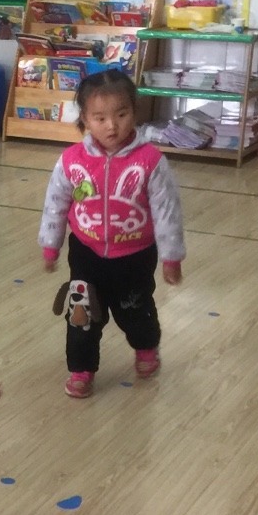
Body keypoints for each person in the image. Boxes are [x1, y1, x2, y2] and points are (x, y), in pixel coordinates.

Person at [39, 69, 185, 398]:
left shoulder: (150, 161)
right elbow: (55, 204)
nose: (112, 126)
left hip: (135, 256)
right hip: (86, 253)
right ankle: (81, 368)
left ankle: (146, 347)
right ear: (84, 119)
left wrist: (172, 257)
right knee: (81, 315)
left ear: (134, 111)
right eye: (100, 118)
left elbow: (167, 211)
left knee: (135, 310)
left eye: (121, 114)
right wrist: (51, 246)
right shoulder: (71, 161)